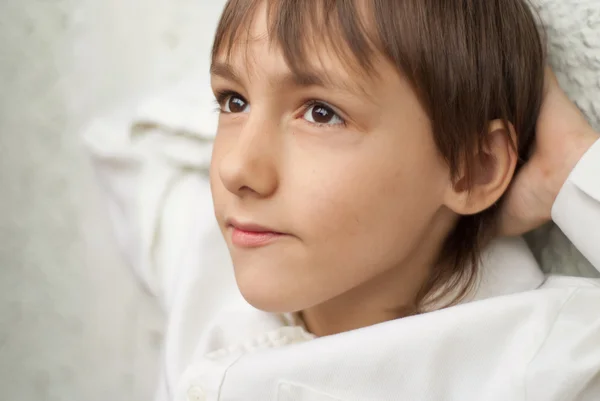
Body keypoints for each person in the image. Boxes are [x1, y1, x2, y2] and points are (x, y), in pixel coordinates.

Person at [86, 0, 600, 400]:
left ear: (474, 166)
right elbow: (125, 144)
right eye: (232, 101)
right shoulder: (203, 257)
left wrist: (573, 170)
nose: (235, 169)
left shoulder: (539, 359)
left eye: (321, 113)